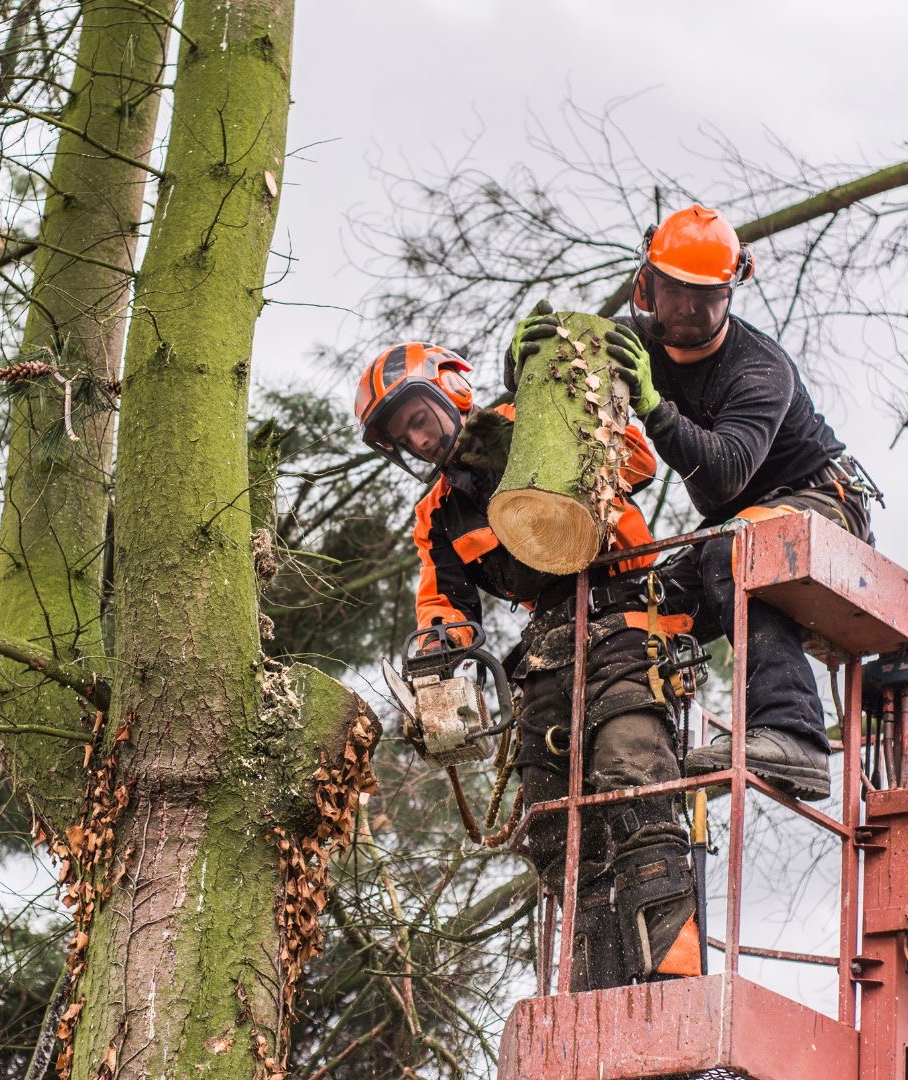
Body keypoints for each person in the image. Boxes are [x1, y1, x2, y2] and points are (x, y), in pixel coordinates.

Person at [355, 340, 702, 990]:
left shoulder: (530, 417)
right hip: (544, 645)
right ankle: (590, 1002)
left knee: (636, 786)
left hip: (624, 609)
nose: (421, 439)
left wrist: (553, 439)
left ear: (451, 393)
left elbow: (637, 459)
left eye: (421, 419)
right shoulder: (438, 514)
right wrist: (437, 659)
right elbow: (445, 604)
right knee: (553, 829)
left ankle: (675, 988)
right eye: (407, 435)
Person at [530, 203, 881, 802]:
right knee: (631, 603)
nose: (689, 310)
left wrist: (653, 406)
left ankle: (792, 733)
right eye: (675, 293)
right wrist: (535, 362)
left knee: (734, 549)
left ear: (731, 293)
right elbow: (566, 397)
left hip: (822, 501)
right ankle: (635, 760)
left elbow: (722, 476)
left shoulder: (758, 368)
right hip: (734, 527)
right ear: (647, 285)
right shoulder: (635, 346)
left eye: (706, 297)